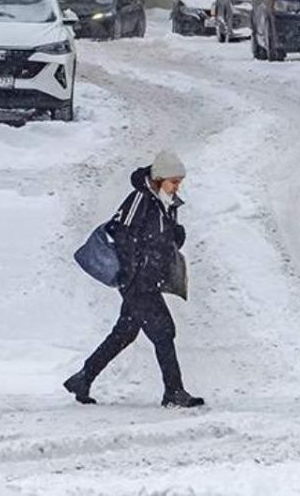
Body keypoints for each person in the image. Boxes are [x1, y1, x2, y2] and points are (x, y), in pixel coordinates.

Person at [64, 151, 204, 408]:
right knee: (164, 332)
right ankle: (173, 392)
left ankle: (83, 378)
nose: (177, 187)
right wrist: (133, 274)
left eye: (179, 182)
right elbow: (122, 235)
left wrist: (176, 233)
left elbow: (166, 241)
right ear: (159, 179)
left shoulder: (166, 204)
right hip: (138, 283)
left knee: (125, 332)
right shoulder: (140, 200)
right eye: (173, 181)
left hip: (147, 281)